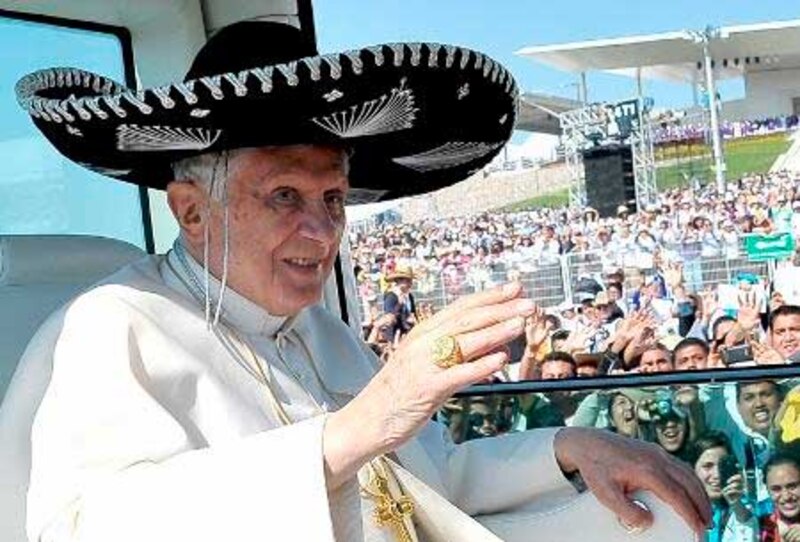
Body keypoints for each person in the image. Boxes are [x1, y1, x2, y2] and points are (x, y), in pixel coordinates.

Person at [15, 20, 709, 542]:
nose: (321, 233)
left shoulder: (319, 331)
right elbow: (89, 526)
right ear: (192, 211)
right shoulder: (115, 325)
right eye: (285, 196)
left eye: (334, 200)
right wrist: (355, 429)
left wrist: (566, 447)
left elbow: (422, 480)